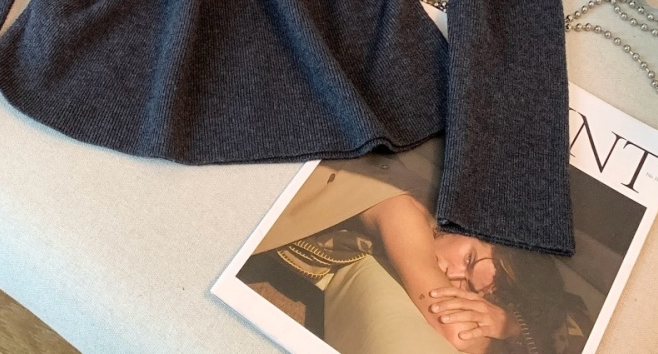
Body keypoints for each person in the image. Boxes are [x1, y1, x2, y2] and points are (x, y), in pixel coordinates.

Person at [252, 142, 587, 353]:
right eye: (469, 260)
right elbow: (458, 333)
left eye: (469, 290)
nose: (451, 274)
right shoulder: (406, 212)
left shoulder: (430, 205)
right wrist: (508, 325)